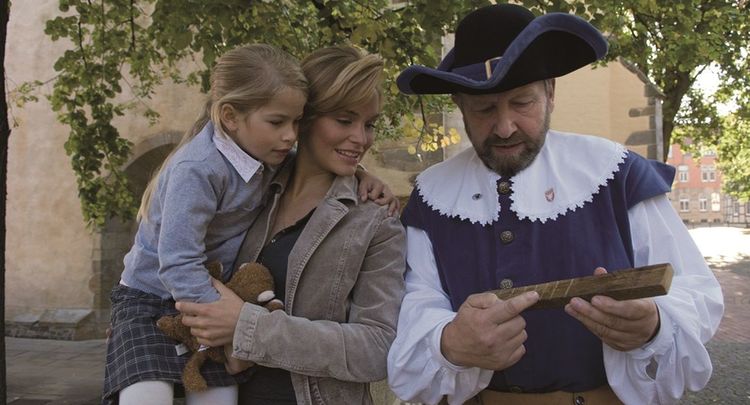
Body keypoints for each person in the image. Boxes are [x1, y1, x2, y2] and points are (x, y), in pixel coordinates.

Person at [386, 4, 724, 405]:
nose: (505, 126)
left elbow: (697, 292)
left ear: (550, 92)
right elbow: (417, 304)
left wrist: (655, 324)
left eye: (522, 103)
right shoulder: (432, 195)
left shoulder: (614, 174)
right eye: (484, 109)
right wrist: (450, 343)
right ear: (460, 106)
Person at [103, 44, 397, 405]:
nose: (362, 139)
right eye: (344, 120)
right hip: (177, 323)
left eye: (369, 125)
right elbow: (177, 261)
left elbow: (376, 349)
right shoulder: (254, 178)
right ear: (305, 118)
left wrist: (247, 329)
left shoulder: (374, 220)